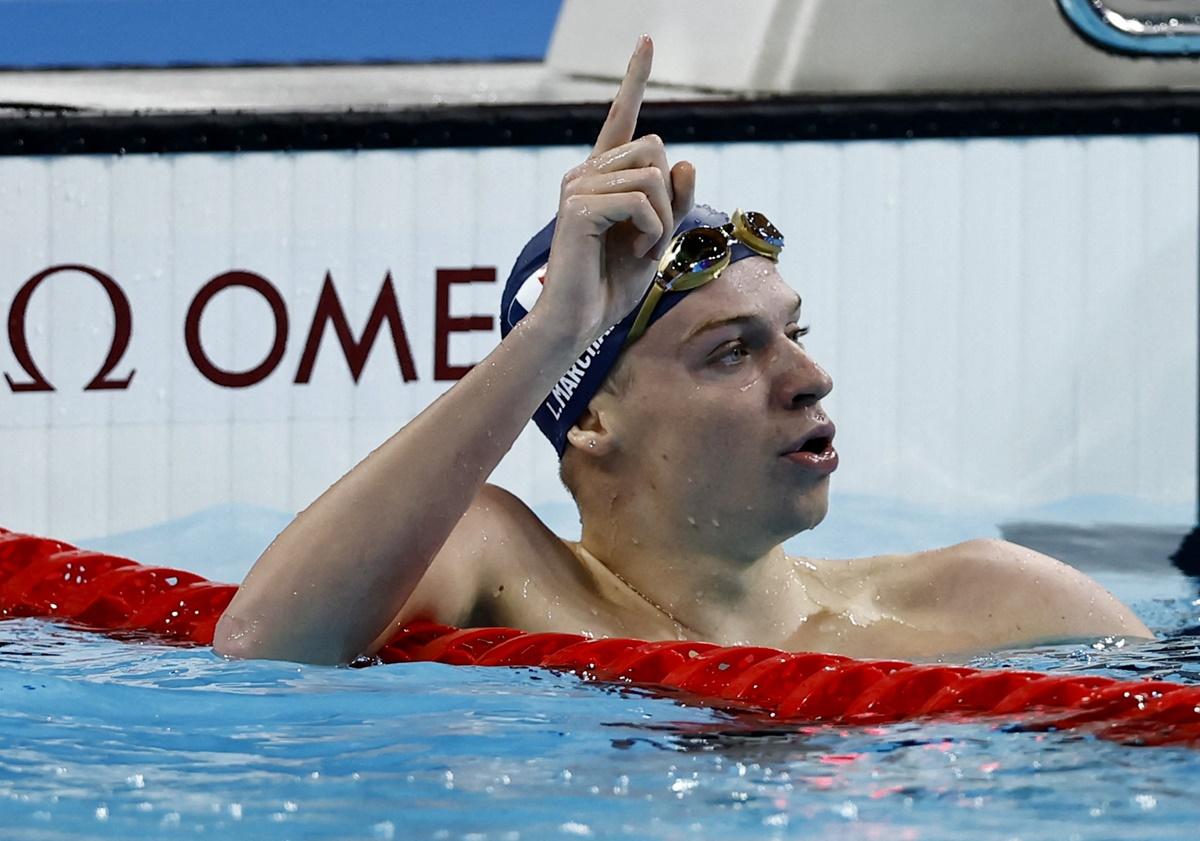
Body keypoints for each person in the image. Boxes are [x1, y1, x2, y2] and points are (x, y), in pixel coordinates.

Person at [213, 36, 1152, 666]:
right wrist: (552, 335)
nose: (811, 378)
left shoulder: (984, 601)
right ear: (592, 419)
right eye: (732, 353)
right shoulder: (504, 565)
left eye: (796, 333)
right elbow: (262, 648)